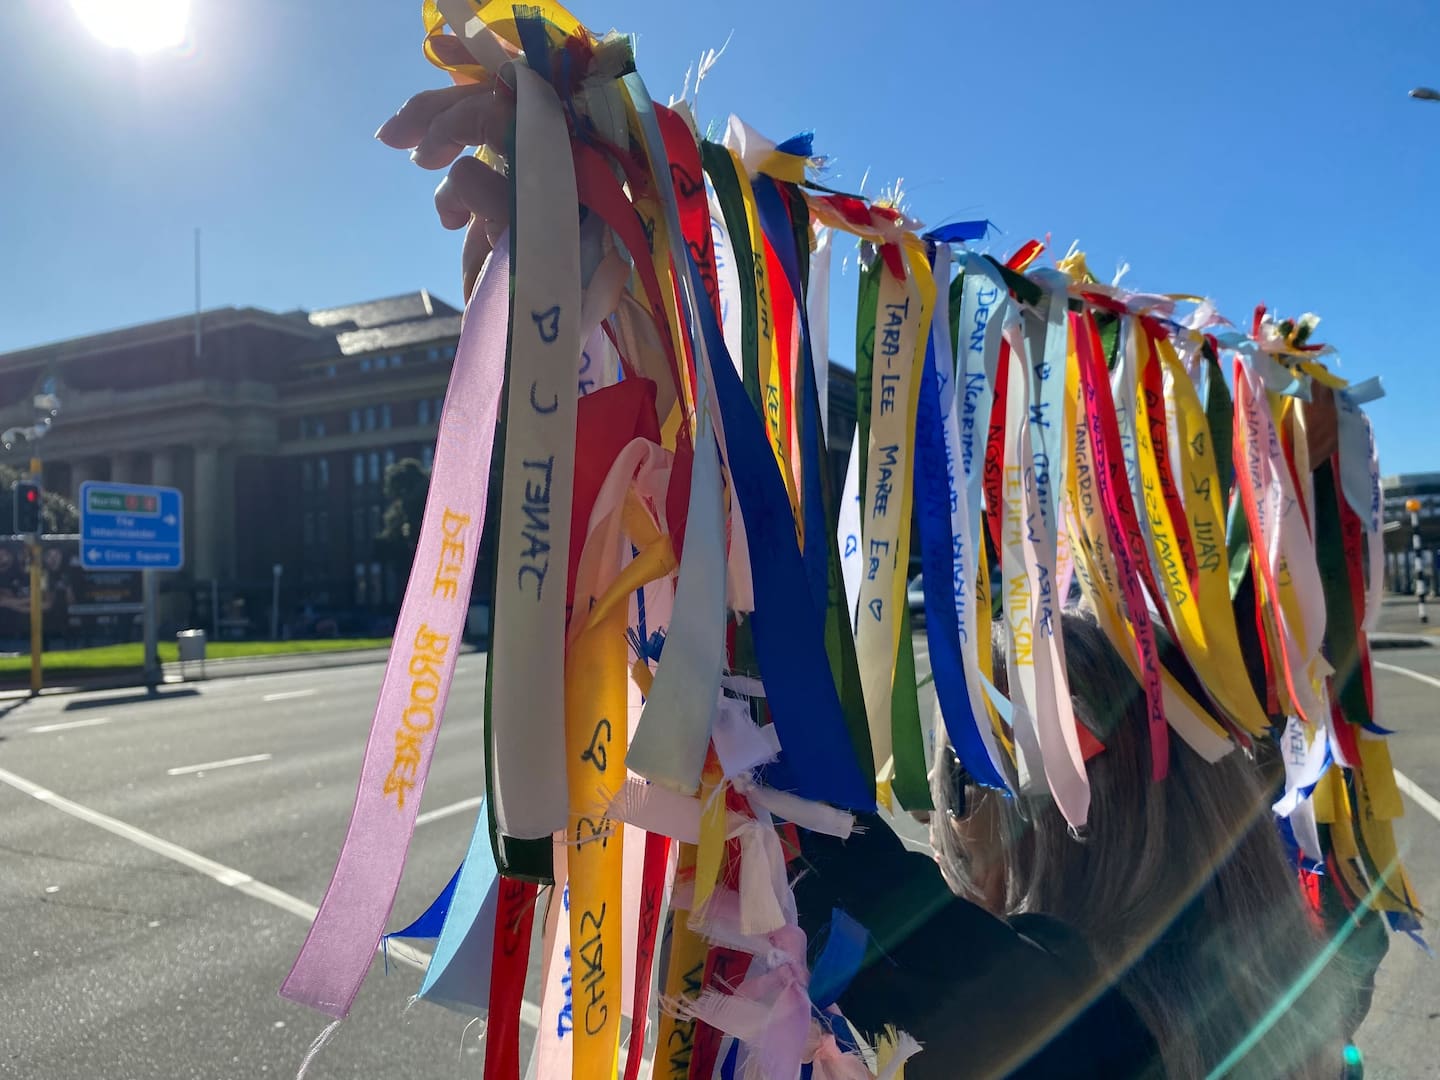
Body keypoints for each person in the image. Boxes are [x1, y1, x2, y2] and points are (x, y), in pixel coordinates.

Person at [794, 613, 1364, 1078]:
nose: (933, 817)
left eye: (954, 787)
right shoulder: (1293, 1010)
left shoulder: (1063, 1028)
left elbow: (841, 882)